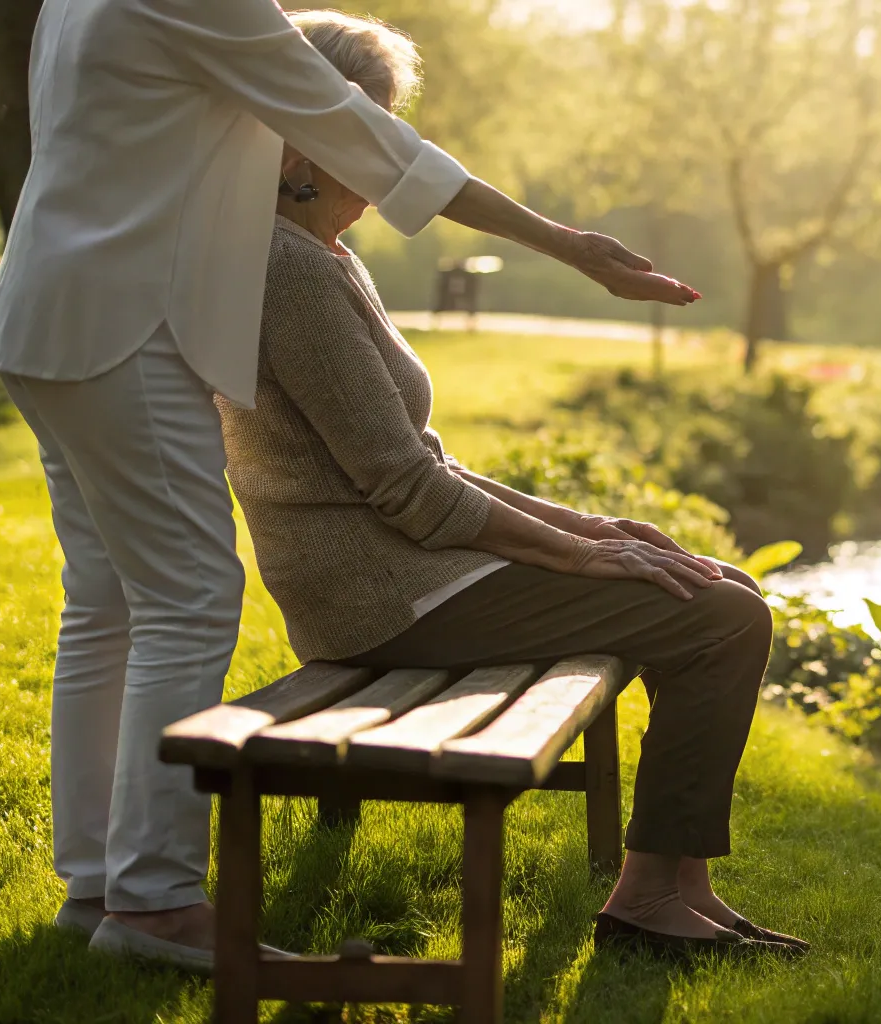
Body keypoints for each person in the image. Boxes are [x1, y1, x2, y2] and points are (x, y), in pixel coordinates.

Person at [0, 0, 699, 971]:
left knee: (105, 604)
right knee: (186, 601)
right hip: (127, 319)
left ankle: (98, 888)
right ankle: (154, 902)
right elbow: (363, 135)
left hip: (46, 308)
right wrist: (571, 246)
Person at [216, 12, 807, 964]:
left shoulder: (325, 256)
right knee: (718, 618)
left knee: (716, 590)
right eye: (366, 124)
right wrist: (584, 554)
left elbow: (425, 462)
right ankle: (650, 899)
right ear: (295, 129)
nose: (386, 150)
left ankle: (680, 886)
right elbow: (410, 493)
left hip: (415, 573)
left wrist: (599, 526)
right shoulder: (288, 270)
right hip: (382, 598)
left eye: (389, 125)